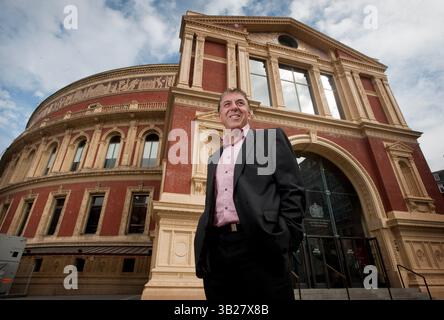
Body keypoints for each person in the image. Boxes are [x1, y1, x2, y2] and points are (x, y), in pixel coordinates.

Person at [194, 88, 306, 301]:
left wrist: (284, 237)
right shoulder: (214, 158)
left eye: (240, 103)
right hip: (218, 249)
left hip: (261, 245)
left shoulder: (269, 140)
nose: (234, 107)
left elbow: (293, 190)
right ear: (220, 115)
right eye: (227, 104)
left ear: (249, 112)